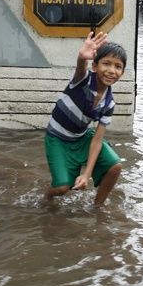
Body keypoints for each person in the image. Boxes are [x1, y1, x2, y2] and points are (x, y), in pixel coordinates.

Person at [44, 31, 124, 205]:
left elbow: (97, 140)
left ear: (122, 73)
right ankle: (46, 198)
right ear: (95, 67)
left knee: (115, 166)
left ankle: (98, 207)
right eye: (106, 64)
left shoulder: (109, 104)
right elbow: (81, 67)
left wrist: (87, 174)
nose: (111, 71)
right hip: (57, 139)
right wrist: (82, 58)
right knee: (61, 188)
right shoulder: (83, 81)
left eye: (118, 67)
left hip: (82, 138)